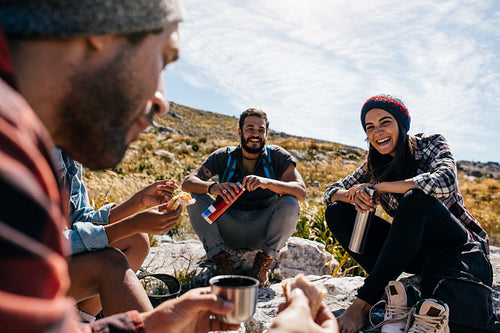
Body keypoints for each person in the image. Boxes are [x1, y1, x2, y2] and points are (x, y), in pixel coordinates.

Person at [0, 0, 243, 331]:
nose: (162, 101)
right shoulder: (9, 147)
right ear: (102, 28)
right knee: (114, 258)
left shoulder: (43, 138)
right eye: (162, 59)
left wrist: (155, 324)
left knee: (131, 244)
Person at [322, 95, 490, 333]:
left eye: (385, 122)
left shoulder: (430, 143)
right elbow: (330, 192)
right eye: (370, 127)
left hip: (459, 249)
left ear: (402, 124)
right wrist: (354, 194)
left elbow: (444, 182)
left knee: (417, 198)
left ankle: (364, 303)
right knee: (337, 211)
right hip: (419, 253)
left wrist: (378, 187)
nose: (378, 132)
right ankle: (384, 290)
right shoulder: (374, 164)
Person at [182, 108, 307, 286]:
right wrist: (214, 187)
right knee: (194, 197)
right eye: (250, 129)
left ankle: (262, 265)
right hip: (228, 226)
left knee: (290, 202)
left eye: (261, 130)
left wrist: (268, 183)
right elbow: (188, 183)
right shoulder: (223, 156)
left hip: (262, 230)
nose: (255, 134)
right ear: (240, 131)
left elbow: (301, 191)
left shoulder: (277, 156)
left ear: (266, 134)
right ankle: (221, 261)